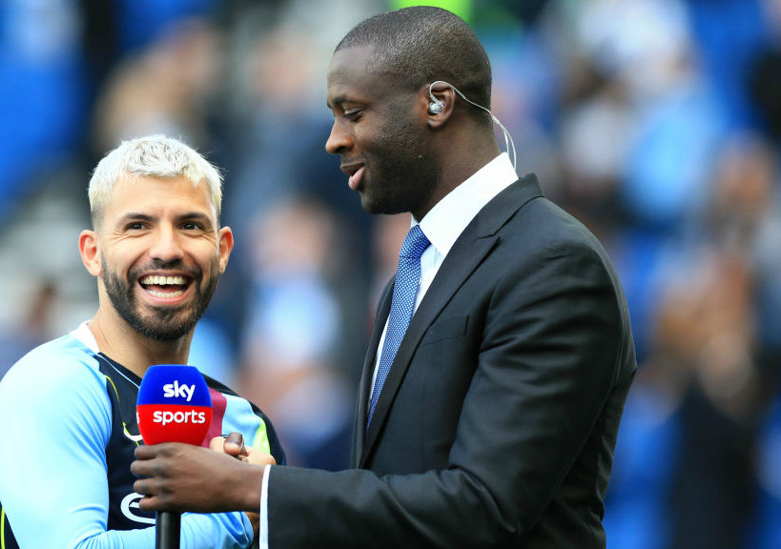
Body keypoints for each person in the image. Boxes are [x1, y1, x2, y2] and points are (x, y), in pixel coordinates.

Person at [130, 7, 636, 548]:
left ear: (436, 104)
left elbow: (485, 507)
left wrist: (260, 490)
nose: (334, 140)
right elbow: (393, 491)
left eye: (353, 112)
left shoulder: (552, 264)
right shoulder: (417, 269)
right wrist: (256, 493)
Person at [0, 135, 284, 548]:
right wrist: (237, 516)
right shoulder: (53, 386)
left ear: (223, 250)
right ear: (93, 253)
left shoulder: (244, 422)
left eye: (190, 225)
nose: (167, 249)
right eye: (137, 226)